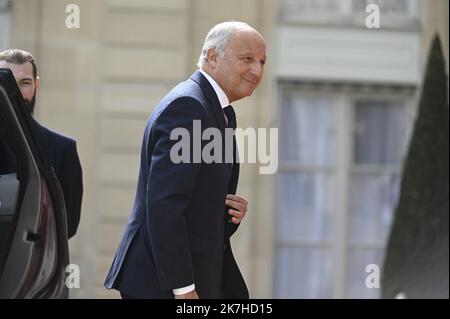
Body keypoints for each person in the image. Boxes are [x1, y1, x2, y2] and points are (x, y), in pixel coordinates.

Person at [104, 21, 266, 299]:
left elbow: (194, 200)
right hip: (165, 284)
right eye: (247, 59)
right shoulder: (189, 107)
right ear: (213, 57)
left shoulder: (220, 111)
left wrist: (228, 212)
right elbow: (165, 204)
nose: (257, 70)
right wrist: (184, 288)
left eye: (262, 61)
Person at [0, 49, 83, 239]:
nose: (16, 92)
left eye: (25, 83)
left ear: (36, 84)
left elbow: (66, 226)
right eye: (7, 83)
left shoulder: (64, 150)